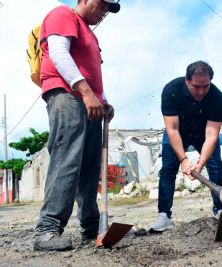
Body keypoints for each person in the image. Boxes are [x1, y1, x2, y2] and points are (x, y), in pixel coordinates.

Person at [33, 0, 120, 251]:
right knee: (67, 158)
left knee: (90, 166)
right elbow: (59, 55)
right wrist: (85, 92)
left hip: (88, 100)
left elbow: (91, 72)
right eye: (101, 4)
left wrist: (103, 101)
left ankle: (92, 227)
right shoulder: (63, 15)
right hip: (67, 95)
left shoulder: (89, 33)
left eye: (108, 9)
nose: (104, 11)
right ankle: (47, 230)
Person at [149, 61, 222, 232]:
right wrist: (183, 160)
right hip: (178, 132)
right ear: (187, 81)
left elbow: (212, 135)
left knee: (216, 166)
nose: (201, 91)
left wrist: (200, 163)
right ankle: (164, 216)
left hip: (203, 133)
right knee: (168, 169)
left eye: (205, 86)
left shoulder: (217, 97)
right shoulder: (172, 90)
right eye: (196, 86)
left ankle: (220, 209)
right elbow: (172, 129)